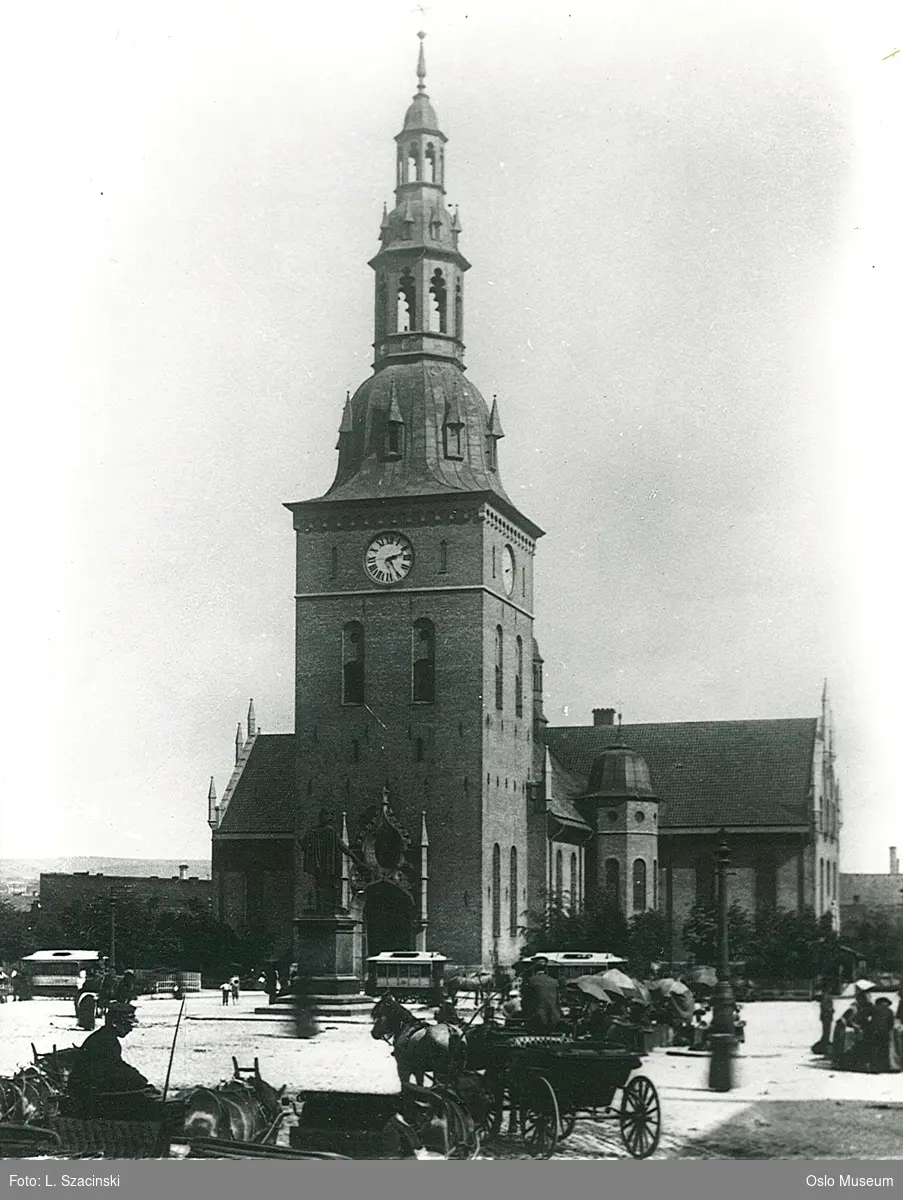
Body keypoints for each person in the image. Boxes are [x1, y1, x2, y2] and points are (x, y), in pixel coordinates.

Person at [66, 1004, 159, 1119]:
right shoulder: (105, 1041)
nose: (131, 1028)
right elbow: (116, 1069)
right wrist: (139, 1081)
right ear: (115, 1022)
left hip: (88, 1089)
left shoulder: (105, 1036)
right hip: (86, 1096)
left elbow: (117, 1067)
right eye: (128, 1024)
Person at [519, 958, 562, 1031]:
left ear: (534, 968)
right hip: (554, 1020)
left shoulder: (530, 981)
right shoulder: (555, 982)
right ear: (546, 968)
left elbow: (525, 1002)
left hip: (537, 1020)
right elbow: (558, 1002)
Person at [868, 997, 899, 1073]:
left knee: (874, 1049)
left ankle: (874, 1068)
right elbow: (891, 1024)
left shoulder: (873, 1008)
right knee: (884, 1049)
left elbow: (864, 1016)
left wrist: (868, 1026)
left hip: (873, 1031)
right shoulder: (890, 1011)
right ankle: (884, 1067)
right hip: (885, 1032)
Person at [813, 989, 835, 1055]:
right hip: (827, 1017)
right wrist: (831, 1010)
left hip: (826, 1017)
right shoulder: (826, 997)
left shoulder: (825, 997)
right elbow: (825, 1007)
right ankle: (824, 1046)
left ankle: (824, 1044)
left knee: (826, 1032)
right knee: (826, 1032)